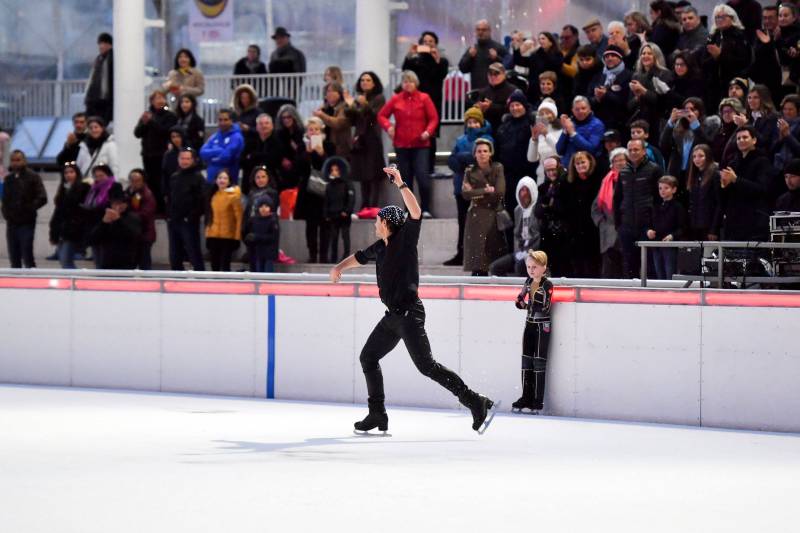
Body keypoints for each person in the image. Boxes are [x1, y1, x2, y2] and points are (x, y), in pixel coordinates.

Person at [329, 165, 496, 434]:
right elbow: (359, 257)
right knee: (368, 357)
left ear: (385, 223)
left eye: (376, 221)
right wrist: (338, 268)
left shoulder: (404, 240)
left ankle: (476, 401)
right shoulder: (380, 247)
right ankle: (377, 413)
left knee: (427, 367)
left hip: (409, 315)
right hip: (393, 317)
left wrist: (401, 183)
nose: (374, 224)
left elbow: (415, 213)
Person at [377, 71, 439, 218]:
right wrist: (389, 127)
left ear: (416, 83)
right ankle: (408, 210)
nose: (408, 84)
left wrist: (428, 132)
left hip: (421, 145)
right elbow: (381, 115)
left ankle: (425, 208)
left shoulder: (424, 98)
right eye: (405, 81)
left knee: (422, 176)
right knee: (405, 179)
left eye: (410, 81)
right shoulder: (396, 99)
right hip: (402, 145)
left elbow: (434, 118)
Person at [445, 107, 494, 266]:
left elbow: (481, 159)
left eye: (475, 122)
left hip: (480, 189)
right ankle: (461, 253)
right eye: (469, 122)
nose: (472, 125)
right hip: (462, 187)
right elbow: (452, 160)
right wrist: (464, 161)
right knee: (463, 221)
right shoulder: (461, 140)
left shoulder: (487, 139)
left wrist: (464, 158)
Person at [614, 138, 664, 278]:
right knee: (629, 264)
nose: (633, 152)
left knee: (650, 265)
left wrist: (655, 225)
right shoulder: (623, 171)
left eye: (636, 149)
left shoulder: (654, 169)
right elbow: (617, 199)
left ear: (643, 151)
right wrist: (618, 224)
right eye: (630, 150)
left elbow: (659, 199)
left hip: (647, 226)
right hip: (627, 225)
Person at [712, 125, 772, 241]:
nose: (741, 140)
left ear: (754, 140)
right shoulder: (733, 163)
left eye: (745, 137)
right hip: (733, 222)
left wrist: (736, 180)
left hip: (754, 221)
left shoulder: (763, 162)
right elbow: (723, 200)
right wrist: (723, 186)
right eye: (738, 138)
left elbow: (762, 189)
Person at [512, 250, 553, 413]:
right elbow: (521, 299)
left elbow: (545, 306)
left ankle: (537, 400)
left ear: (544, 267)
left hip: (542, 327)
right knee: (526, 361)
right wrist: (520, 302)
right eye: (528, 266)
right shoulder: (528, 282)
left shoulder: (547, 284)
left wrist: (527, 304)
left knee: (539, 362)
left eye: (534, 267)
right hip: (529, 324)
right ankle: (526, 397)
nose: (531, 270)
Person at [402, 31, 449, 171]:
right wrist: (409, 55)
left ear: (436, 44)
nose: (428, 44)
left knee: (431, 135)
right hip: (415, 103)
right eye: (425, 41)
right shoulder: (415, 60)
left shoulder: (442, 61)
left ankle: (430, 167)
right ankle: (415, 166)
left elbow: (441, 75)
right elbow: (406, 71)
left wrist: (437, 60)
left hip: (433, 102)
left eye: (431, 41)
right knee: (415, 132)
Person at [462, 138, 507, 275]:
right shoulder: (469, 171)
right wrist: (485, 191)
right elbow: (465, 194)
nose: (482, 154)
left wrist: (475, 192)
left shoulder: (497, 168)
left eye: (485, 151)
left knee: (493, 253)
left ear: (490, 153)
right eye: (479, 151)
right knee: (477, 257)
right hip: (475, 217)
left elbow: (499, 193)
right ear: (474, 154)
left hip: (493, 214)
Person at [345, 72, 386, 208]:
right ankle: (364, 205)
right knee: (362, 174)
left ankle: (373, 205)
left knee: (373, 174)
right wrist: (350, 105)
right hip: (360, 139)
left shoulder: (379, 98)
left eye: (368, 80)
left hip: (372, 138)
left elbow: (374, 116)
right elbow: (352, 120)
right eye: (362, 80)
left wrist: (365, 104)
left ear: (374, 83)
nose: (364, 82)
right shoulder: (359, 98)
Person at [134, 89, 177, 215]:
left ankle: (163, 209)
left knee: (162, 182)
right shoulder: (147, 115)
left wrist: (152, 121)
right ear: (151, 101)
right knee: (150, 181)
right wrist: (144, 123)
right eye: (156, 99)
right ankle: (152, 207)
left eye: (161, 98)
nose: (159, 101)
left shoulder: (170, 115)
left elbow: (165, 131)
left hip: (162, 154)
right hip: (148, 154)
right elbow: (137, 133)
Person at [2, 151, 47, 268]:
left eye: (18, 160)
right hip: (12, 222)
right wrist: (7, 214)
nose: (15, 163)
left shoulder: (33, 177)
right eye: (13, 160)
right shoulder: (8, 179)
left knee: (27, 254)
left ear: (24, 161)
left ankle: (32, 281)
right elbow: (5, 200)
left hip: (27, 222)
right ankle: (15, 282)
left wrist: (29, 209)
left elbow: (42, 197)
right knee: (14, 255)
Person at [495, 90, 537, 215]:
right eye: (512, 106)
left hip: (528, 174)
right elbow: (498, 149)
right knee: (510, 209)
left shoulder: (532, 123)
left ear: (524, 105)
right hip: (508, 176)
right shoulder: (504, 126)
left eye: (518, 105)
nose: (515, 108)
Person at [489, 177, 540, 276]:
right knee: (495, 267)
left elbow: (539, 236)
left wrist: (529, 253)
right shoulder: (518, 210)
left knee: (520, 266)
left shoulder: (537, 210)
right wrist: (518, 252)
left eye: (527, 190)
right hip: (520, 251)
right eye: (521, 190)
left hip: (535, 252)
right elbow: (516, 235)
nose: (524, 194)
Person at [166, 148, 206, 271]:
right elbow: (170, 197)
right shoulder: (174, 177)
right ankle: (176, 278)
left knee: (193, 250)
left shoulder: (198, 177)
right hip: (174, 220)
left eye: (188, 159)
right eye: (182, 158)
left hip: (188, 221)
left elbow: (201, 200)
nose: (185, 161)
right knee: (174, 253)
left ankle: (200, 277)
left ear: (193, 160)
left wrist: (191, 216)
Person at [592, 147, 628, 278]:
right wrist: (601, 222)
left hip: (626, 228)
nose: (619, 163)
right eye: (616, 160)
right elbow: (595, 207)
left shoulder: (630, 178)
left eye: (622, 160)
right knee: (609, 269)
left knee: (626, 266)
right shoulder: (606, 181)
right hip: (608, 230)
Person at [88, 188, 142, 270]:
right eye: (114, 203)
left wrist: (118, 220)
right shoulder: (105, 216)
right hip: (106, 262)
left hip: (126, 263)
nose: (117, 206)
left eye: (120, 203)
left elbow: (133, 236)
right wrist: (104, 223)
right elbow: (93, 239)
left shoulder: (133, 217)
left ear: (126, 204)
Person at [535, 156, 572, 277]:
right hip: (548, 233)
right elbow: (538, 212)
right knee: (553, 268)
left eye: (553, 169)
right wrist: (548, 204)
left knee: (565, 268)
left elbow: (563, 209)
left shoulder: (567, 184)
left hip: (565, 234)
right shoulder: (543, 187)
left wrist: (549, 204)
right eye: (548, 170)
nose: (551, 173)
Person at [50, 162, 90, 269]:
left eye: (71, 172)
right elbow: (58, 212)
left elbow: (84, 209)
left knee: (66, 260)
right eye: (66, 173)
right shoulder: (63, 190)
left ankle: (76, 282)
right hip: (63, 230)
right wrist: (54, 231)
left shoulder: (83, 188)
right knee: (63, 260)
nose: (68, 175)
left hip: (74, 230)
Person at [647, 175, 686, 279]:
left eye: (666, 188)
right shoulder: (655, 206)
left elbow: (682, 227)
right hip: (656, 244)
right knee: (659, 273)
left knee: (670, 273)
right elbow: (649, 224)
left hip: (670, 246)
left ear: (674, 190)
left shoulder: (678, 207)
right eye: (660, 188)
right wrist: (649, 231)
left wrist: (672, 236)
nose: (662, 191)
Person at [588, 45, 633, 132]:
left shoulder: (629, 75)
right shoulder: (599, 75)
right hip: (599, 121)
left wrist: (607, 94)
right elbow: (588, 96)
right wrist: (596, 99)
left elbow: (627, 102)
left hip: (619, 122)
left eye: (613, 56)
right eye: (607, 56)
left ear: (620, 58)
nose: (609, 58)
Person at [81, 164, 118, 268]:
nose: (99, 179)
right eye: (96, 176)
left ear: (108, 175)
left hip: (106, 227)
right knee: (97, 258)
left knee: (104, 259)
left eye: (101, 176)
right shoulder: (93, 189)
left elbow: (115, 205)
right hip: (94, 227)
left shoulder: (114, 186)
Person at [205, 169, 243, 272]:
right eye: (220, 178)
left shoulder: (234, 197)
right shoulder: (213, 195)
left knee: (225, 265)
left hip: (228, 236)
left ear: (229, 181)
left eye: (225, 178)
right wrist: (208, 234)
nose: (222, 180)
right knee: (214, 265)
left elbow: (239, 218)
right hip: (213, 235)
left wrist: (237, 237)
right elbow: (210, 216)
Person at [466, 62, 517, 133]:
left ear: (504, 75)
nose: (493, 77)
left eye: (496, 74)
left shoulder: (513, 91)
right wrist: (478, 108)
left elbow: (513, 110)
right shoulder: (483, 92)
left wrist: (491, 107)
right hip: (487, 129)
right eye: (490, 74)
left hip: (507, 128)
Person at [458, 19, 509, 90]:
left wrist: (496, 58)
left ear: (489, 31)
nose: (480, 32)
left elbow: (508, 66)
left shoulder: (499, 48)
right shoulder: (472, 49)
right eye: (478, 30)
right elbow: (462, 69)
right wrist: (470, 57)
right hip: (477, 92)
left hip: (497, 92)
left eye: (483, 30)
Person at [685, 144, 721, 240]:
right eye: (694, 156)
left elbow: (719, 203)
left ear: (708, 156)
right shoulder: (695, 175)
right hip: (696, 226)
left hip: (709, 226)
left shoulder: (715, 173)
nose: (697, 159)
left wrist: (714, 229)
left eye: (701, 156)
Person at [322, 157, 355, 263]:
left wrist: (347, 211)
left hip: (344, 215)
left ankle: (346, 257)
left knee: (345, 236)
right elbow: (326, 200)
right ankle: (333, 258)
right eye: (332, 170)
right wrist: (326, 213)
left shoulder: (347, 184)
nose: (334, 172)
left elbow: (351, 199)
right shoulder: (329, 185)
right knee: (334, 237)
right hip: (333, 215)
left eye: (336, 170)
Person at [555, 95, 605, 164]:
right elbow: (559, 150)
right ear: (572, 110)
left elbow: (591, 149)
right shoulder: (570, 123)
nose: (580, 111)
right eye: (577, 109)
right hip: (567, 167)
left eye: (583, 108)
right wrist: (565, 131)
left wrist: (573, 133)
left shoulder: (597, 125)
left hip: (586, 168)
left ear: (589, 109)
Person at [241, 113, 282, 194]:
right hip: (250, 186)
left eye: (267, 123)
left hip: (272, 185)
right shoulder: (250, 141)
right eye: (261, 123)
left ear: (272, 126)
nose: (264, 126)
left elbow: (273, 161)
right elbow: (242, 161)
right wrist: (262, 156)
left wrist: (253, 156)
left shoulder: (278, 141)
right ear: (256, 127)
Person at [200, 109, 244, 184]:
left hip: (228, 180)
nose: (222, 123)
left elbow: (226, 157)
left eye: (225, 120)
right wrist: (219, 150)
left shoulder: (237, 137)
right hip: (211, 180)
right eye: (220, 120)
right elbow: (202, 153)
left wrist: (211, 157)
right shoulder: (214, 136)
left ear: (231, 121)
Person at [126, 169, 157, 270]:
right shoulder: (128, 193)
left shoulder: (147, 195)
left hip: (144, 234)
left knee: (144, 263)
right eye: (132, 180)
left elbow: (145, 214)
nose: (134, 183)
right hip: (132, 234)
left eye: (137, 180)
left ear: (143, 181)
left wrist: (128, 215)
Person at [527, 98, 562, 183]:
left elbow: (560, 151)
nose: (544, 116)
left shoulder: (561, 130)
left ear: (554, 114)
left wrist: (547, 134)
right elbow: (531, 159)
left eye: (548, 113)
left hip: (559, 174)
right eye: (541, 113)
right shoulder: (537, 131)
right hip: (542, 176)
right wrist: (534, 140)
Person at [314, 82, 353, 157]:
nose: (329, 93)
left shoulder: (345, 107)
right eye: (328, 91)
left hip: (339, 148)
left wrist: (322, 115)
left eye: (332, 91)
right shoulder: (323, 108)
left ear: (339, 94)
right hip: (324, 147)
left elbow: (338, 123)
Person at [76, 116, 119, 182]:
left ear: (102, 128)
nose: (93, 130)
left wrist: (114, 183)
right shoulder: (84, 145)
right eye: (91, 128)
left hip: (103, 183)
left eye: (96, 127)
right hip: (85, 183)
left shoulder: (109, 145)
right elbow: (79, 165)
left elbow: (114, 166)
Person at [244, 195, 280, 272]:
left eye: (266, 206)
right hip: (257, 253)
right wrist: (249, 239)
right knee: (258, 273)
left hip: (269, 254)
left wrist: (257, 237)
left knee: (267, 274)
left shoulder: (273, 221)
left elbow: (273, 238)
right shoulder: (254, 220)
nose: (263, 209)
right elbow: (247, 233)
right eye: (261, 206)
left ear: (271, 208)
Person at [84, 33, 114, 124]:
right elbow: (92, 78)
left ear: (109, 45)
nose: (100, 46)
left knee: (100, 124)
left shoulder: (112, 58)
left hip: (104, 100)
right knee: (92, 124)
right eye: (100, 44)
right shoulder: (99, 59)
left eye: (103, 44)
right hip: (94, 99)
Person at [774, 94, 800, 171]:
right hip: (778, 167)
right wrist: (780, 138)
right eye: (785, 109)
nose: (787, 112)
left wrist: (788, 135)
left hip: (795, 168)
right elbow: (772, 149)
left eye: (790, 109)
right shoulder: (779, 123)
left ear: (798, 110)